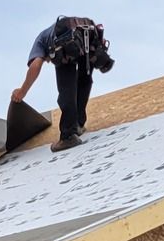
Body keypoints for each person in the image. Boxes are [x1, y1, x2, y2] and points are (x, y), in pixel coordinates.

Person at [11, 16, 112, 152]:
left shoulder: (41, 40)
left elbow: (35, 65)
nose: (48, 61)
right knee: (84, 79)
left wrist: (22, 91)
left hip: (66, 41)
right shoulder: (60, 29)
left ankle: (68, 136)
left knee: (66, 90)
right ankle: (78, 124)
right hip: (87, 34)